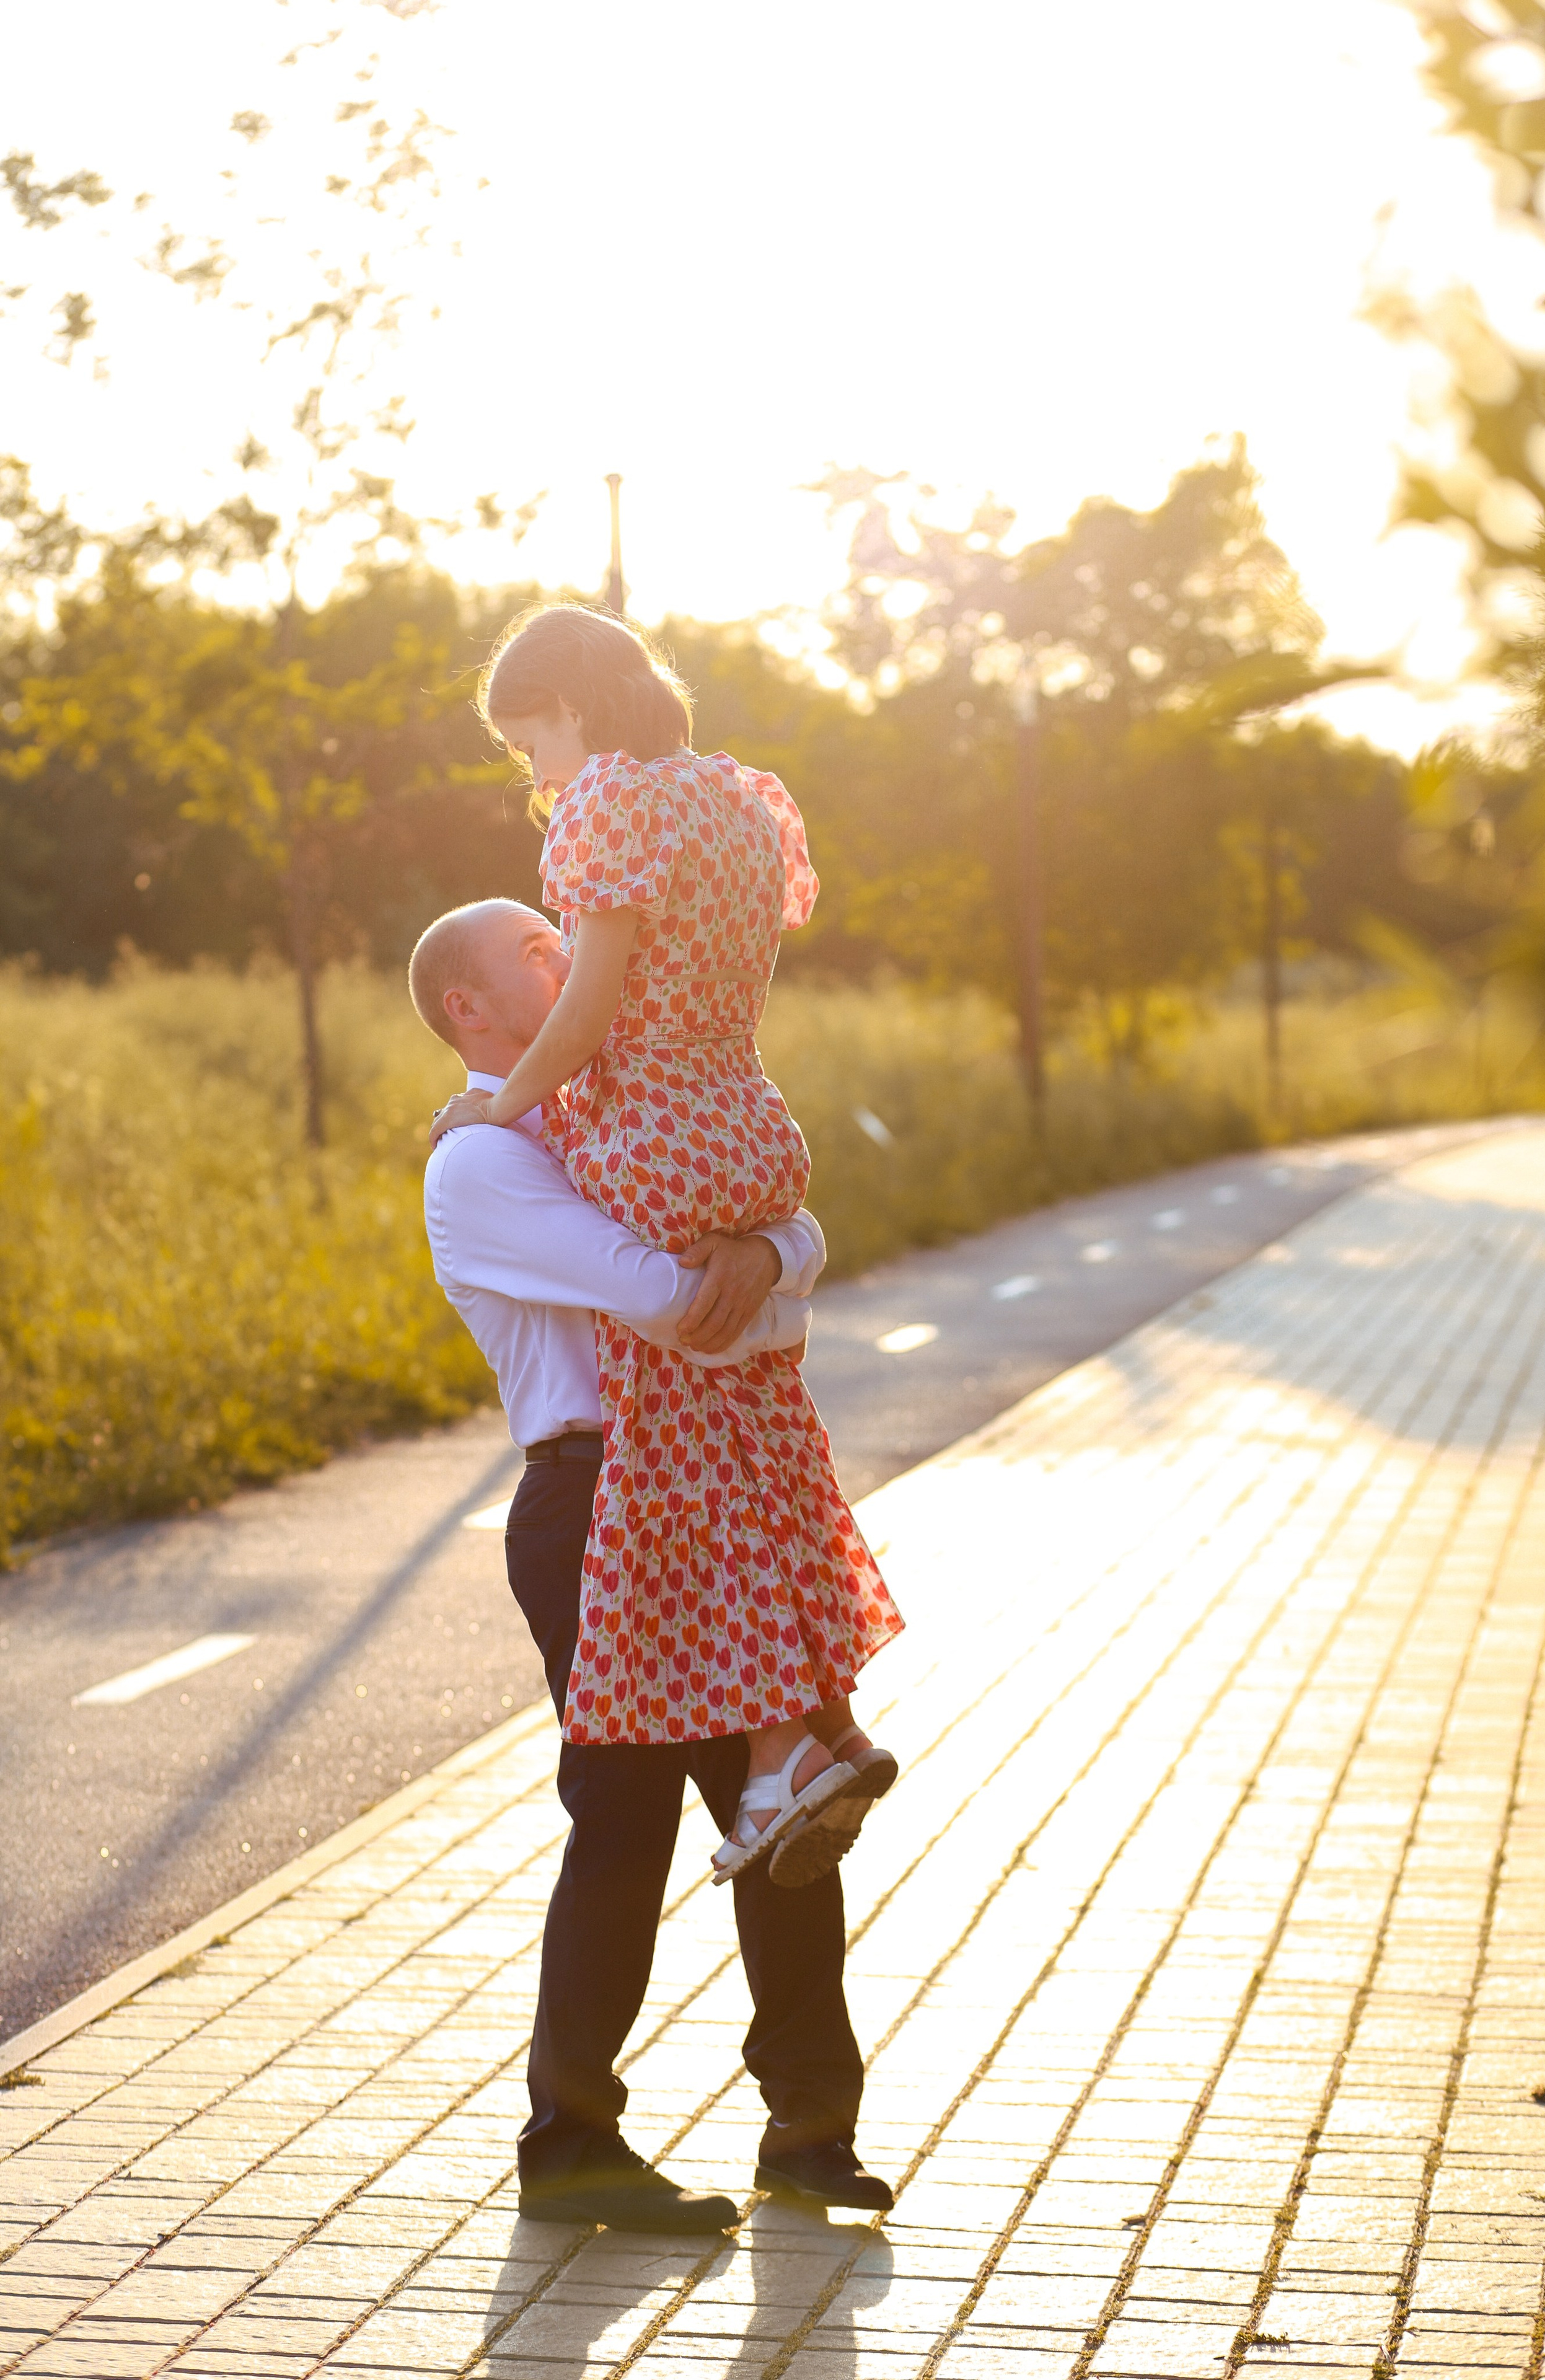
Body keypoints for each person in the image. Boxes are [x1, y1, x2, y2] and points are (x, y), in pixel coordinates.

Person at [412, 896, 894, 2232]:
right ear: (467, 1009)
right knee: (622, 1826)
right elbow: (669, 1302)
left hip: (703, 1490)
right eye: (530, 951)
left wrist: (766, 1246)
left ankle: (809, 2127)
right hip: (594, 1498)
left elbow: (792, 1242)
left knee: (785, 1812)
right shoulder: (486, 1161)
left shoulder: (620, 1112)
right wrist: (742, 1267)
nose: (567, 956)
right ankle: (570, 2144)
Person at [429, 606, 904, 1889]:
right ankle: (813, 1730)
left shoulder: (607, 807)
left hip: (650, 1135)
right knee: (758, 1444)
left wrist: (502, 1101)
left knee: (675, 1465)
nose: (534, 775)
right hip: (743, 1121)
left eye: (529, 740)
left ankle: (774, 1765)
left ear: (571, 707)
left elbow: (588, 1007)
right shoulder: (738, 798)